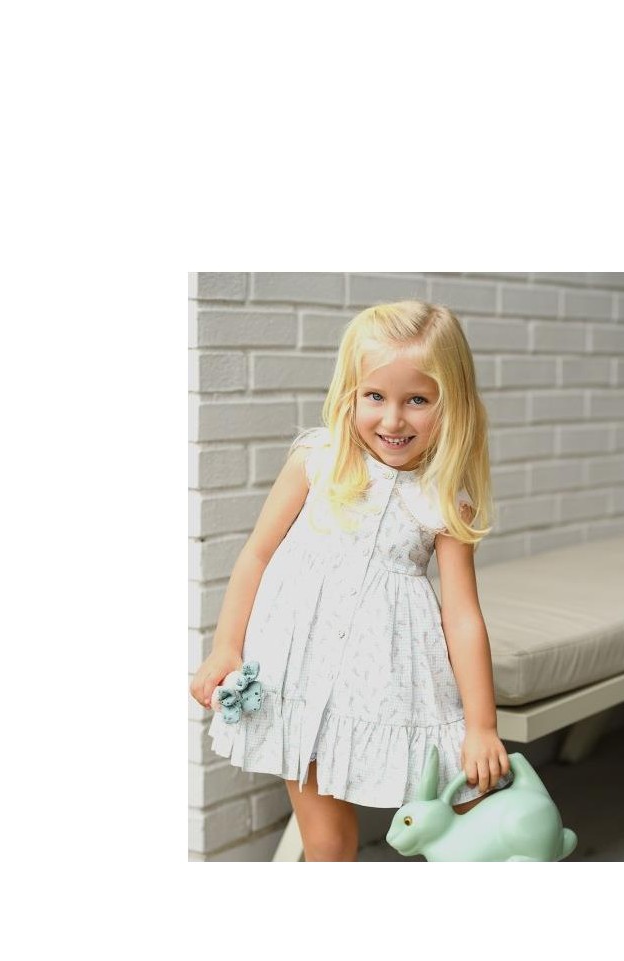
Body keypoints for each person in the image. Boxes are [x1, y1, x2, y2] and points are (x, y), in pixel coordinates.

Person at [189, 300, 510, 861]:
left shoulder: (442, 498)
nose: (393, 420)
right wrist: (226, 646)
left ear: (451, 403)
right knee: (329, 844)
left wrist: (482, 726)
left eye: (417, 400)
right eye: (375, 396)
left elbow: (462, 615)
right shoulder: (317, 461)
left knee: (465, 816)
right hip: (301, 677)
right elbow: (257, 555)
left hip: (386, 687)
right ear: (351, 395)